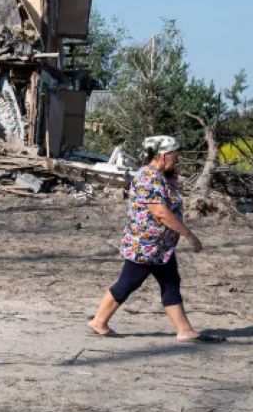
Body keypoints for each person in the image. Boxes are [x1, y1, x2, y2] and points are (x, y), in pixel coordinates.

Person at [88, 135, 216, 342]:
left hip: (159, 247)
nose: (178, 159)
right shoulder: (148, 177)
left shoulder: (159, 176)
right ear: (163, 156)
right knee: (128, 282)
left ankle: (184, 330)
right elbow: (161, 212)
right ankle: (98, 321)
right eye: (175, 155)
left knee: (170, 282)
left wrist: (171, 180)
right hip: (146, 246)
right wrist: (190, 235)